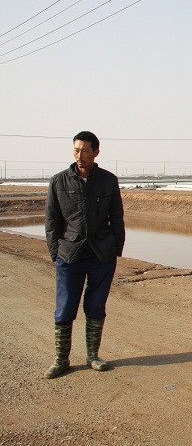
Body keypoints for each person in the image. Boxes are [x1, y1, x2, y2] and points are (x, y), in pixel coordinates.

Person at [44, 131, 125, 379]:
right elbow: (52, 221)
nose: (80, 156)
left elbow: (117, 218)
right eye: (76, 150)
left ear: (96, 152)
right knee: (65, 307)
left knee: (96, 306)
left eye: (85, 151)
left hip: (102, 254)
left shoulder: (108, 181)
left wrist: (116, 249)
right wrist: (56, 252)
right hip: (70, 254)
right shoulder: (59, 182)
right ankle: (61, 359)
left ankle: (93, 356)